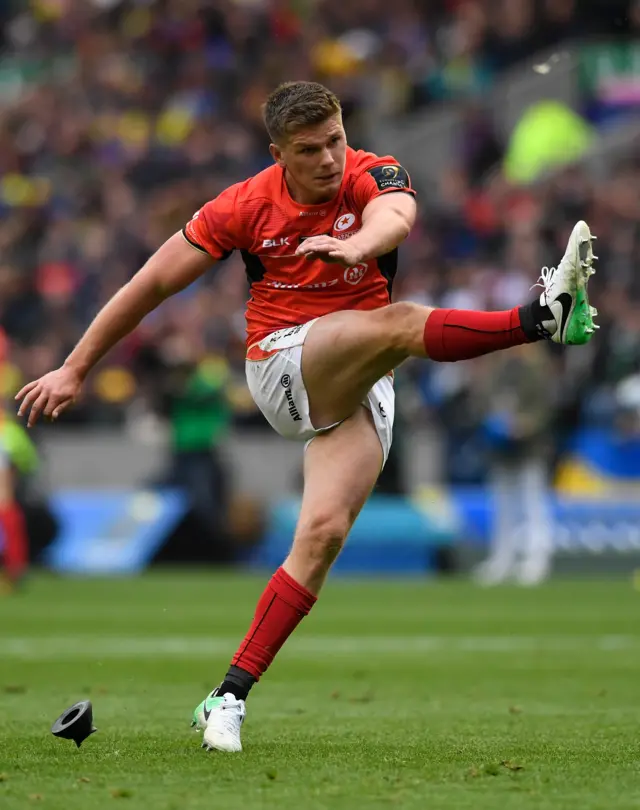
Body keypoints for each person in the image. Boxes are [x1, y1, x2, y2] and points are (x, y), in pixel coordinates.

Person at [15, 81, 598, 752]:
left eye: (335, 141)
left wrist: (358, 247)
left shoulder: (373, 173)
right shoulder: (243, 205)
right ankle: (541, 318)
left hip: (360, 375)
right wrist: (76, 367)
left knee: (319, 535)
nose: (328, 159)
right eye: (309, 149)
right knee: (396, 323)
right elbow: (151, 283)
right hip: (281, 365)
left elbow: (397, 217)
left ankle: (226, 697)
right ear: (278, 153)